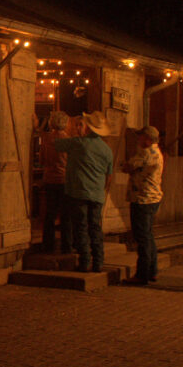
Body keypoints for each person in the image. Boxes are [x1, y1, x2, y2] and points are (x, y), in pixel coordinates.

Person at [55, 110, 114, 272]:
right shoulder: (107, 150)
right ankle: (98, 262)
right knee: (95, 228)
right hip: (97, 194)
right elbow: (109, 176)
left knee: (81, 227)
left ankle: (85, 261)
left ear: (88, 128)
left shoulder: (78, 143)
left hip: (79, 192)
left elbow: (57, 144)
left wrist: (69, 131)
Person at [121, 126, 164, 284]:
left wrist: (126, 165)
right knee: (148, 236)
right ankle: (152, 271)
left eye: (141, 137)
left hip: (143, 199)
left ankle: (142, 274)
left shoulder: (147, 153)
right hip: (151, 199)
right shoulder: (155, 152)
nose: (138, 140)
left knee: (142, 237)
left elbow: (128, 166)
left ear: (148, 139)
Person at [40, 111, 71, 253]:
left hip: (49, 179)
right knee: (66, 215)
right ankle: (66, 246)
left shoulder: (46, 139)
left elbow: (42, 161)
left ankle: (48, 245)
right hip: (64, 180)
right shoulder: (69, 141)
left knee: (50, 214)